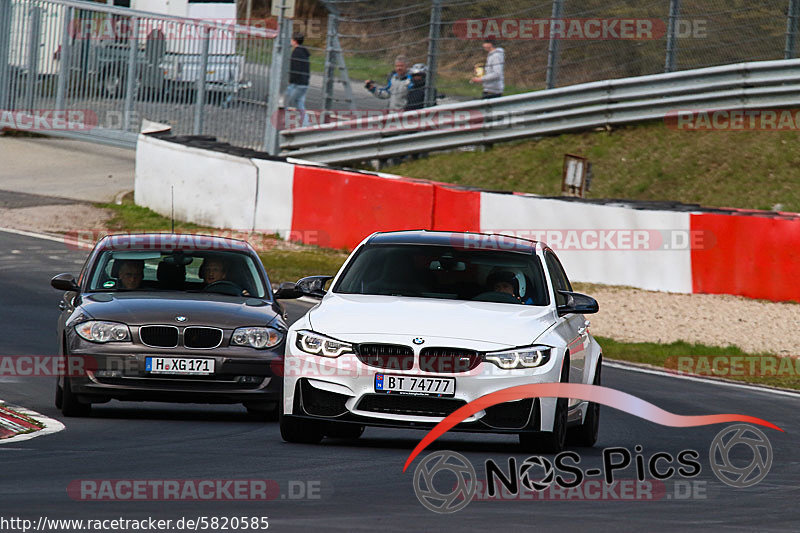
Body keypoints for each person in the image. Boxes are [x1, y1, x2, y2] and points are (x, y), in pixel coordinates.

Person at [285, 32, 311, 127]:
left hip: (297, 83)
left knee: (286, 100)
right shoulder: (304, 52)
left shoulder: (296, 53)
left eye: (292, 40)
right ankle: (305, 123)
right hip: (304, 82)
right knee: (299, 102)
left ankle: (285, 121)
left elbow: (295, 69)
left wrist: (291, 80)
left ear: (294, 41)